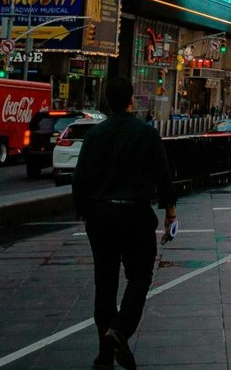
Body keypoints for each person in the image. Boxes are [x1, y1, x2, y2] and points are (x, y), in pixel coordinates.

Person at [74, 77, 175, 370]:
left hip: (101, 216)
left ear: (107, 101)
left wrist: (84, 211)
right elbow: (162, 175)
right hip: (135, 215)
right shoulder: (146, 134)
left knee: (105, 284)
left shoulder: (96, 134)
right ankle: (119, 330)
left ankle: (105, 356)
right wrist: (170, 213)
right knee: (140, 277)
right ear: (132, 99)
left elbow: (80, 177)